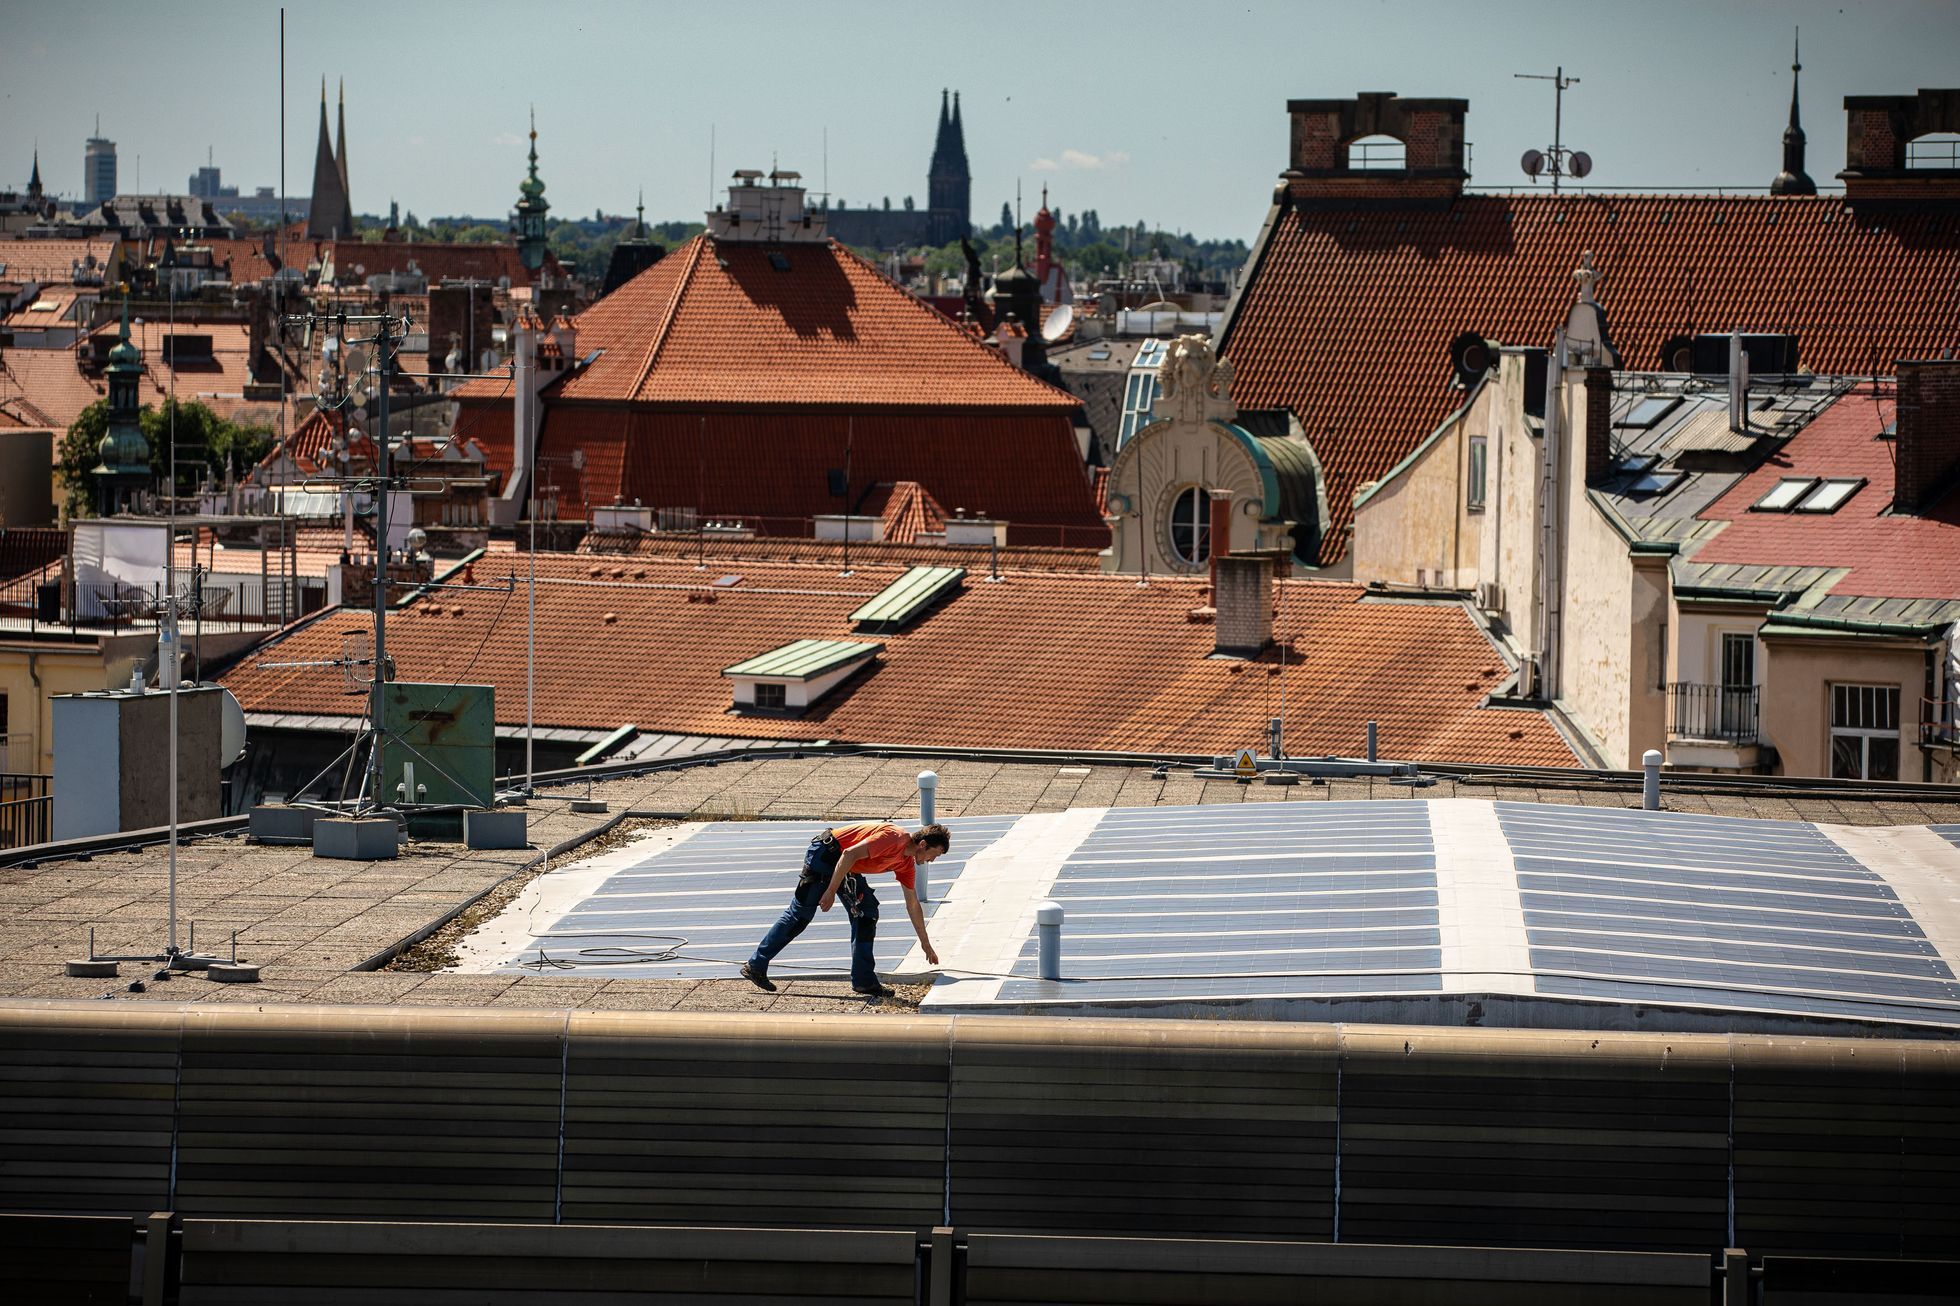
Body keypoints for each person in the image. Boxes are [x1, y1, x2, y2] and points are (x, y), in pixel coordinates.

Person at [742, 821, 950, 998]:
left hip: (847, 865)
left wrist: (925, 943)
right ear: (923, 844)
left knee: (866, 913)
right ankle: (756, 965)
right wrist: (831, 891)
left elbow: (912, 904)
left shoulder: (905, 864)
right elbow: (849, 853)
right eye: (935, 854)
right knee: (800, 915)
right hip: (826, 856)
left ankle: (864, 981)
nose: (932, 860)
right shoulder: (893, 838)